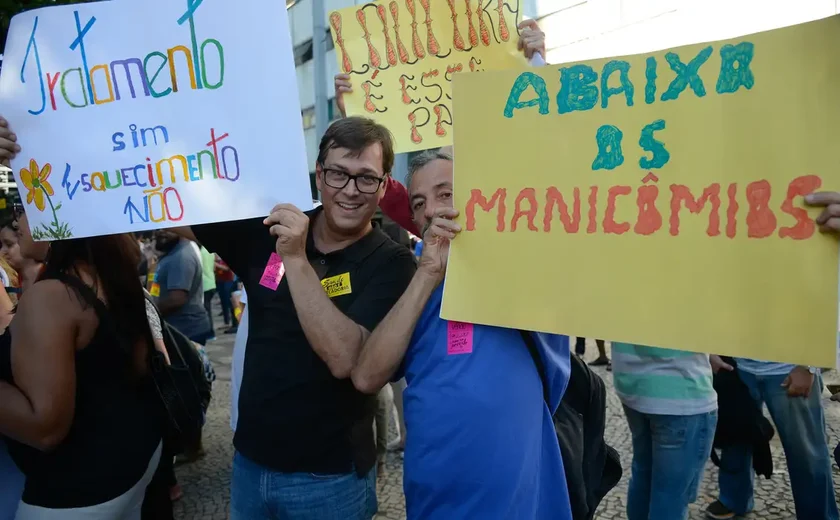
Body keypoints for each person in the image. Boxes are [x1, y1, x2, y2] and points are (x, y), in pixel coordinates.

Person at [172, 116, 416, 520]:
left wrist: (296, 258)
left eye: (366, 178)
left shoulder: (392, 262)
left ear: (385, 185)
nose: (350, 191)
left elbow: (345, 359)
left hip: (329, 480)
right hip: (250, 463)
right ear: (319, 175)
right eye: (338, 174)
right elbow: (163, 212)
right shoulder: (270, 225)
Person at [351, 150, 573, 519]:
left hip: (516, 487)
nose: (431, 210)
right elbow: (366, 375)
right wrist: (427, 276)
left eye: (446, 193)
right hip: (434, 486)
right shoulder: (414, 276)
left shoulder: (524, 267)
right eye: (419, 202)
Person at [0, 206, 162, 518]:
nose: (18, 220)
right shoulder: (107, 274)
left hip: (77, 489)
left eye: (24, 206)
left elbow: (43, 429)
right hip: (130, 462)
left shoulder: (53, 295)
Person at [705, 358, 839, 520]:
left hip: (789, 368)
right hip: (738, 365)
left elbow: (824, 331)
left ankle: (819, 516)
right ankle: (733, 499)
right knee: (735, 436)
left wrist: (808, 366)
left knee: (806, 452)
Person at [152, 231, 211, 346]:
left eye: (167, 228)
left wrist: (150, 312)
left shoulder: (181, 256)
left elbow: (177, 299)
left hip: (186, 330)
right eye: (157, 228)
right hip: (179, 328)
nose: (160, 231)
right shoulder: (172, 252)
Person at [199, 246, 217, 340]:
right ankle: (210, 332)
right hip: (211, 282)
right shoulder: (209, 251)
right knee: (208, 309)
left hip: (205, 284)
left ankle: (210, 333)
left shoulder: (201, 252)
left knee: (206, 310)